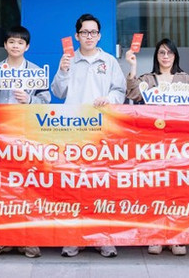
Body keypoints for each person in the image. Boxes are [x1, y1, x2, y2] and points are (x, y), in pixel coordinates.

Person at [51, 13, 126, 258]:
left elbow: (120, 90)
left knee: (102, 185)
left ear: (99, 35)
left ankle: (103, 238)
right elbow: (58, 92)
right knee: (74, 186)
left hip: (102, 131)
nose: (89, 36)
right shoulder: (68, 60)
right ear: (77, 35)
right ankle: (74, 238)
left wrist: (110, 99)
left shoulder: (109, 61)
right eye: (84, 32)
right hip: (73, 131)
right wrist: (62, 71)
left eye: (93, 32)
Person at [0, 25, 50, 259]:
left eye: (20, 42)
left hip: (27, 137)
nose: (15, 45)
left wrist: (29, 100)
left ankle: (28, 240)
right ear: (5, 45)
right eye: (11, 42)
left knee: (28, 188)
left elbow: (46, 100)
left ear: (27, 46)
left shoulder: (37, 72)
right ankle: (0, 239)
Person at [125, 38, 189, 256]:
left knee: (177, 191)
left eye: (169, 53)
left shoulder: (184, 78)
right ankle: (156, 235)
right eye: (161, 53)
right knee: (154, 190)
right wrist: (132, 67)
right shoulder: (147, 78)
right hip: (152, 142)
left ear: (175, 56)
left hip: (177, 143)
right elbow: (133, 95)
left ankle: (177, 237)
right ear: (156, 56)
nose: (165, 57)